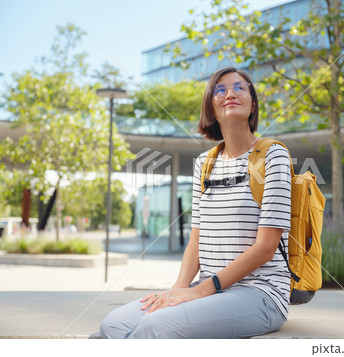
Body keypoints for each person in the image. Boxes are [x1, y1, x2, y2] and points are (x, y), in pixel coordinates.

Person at [100, 67, 292, 339]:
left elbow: (266, 247)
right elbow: (196, 240)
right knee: (113, 325)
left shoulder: (274, 155)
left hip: (260, 294)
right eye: (220, 89)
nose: (230, 93)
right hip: (210, 290)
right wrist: (177, 290)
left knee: (153, 328)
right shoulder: (206, 164)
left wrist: (200, 291)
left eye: (240, 87)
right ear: (211, 109)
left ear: (253, 106)